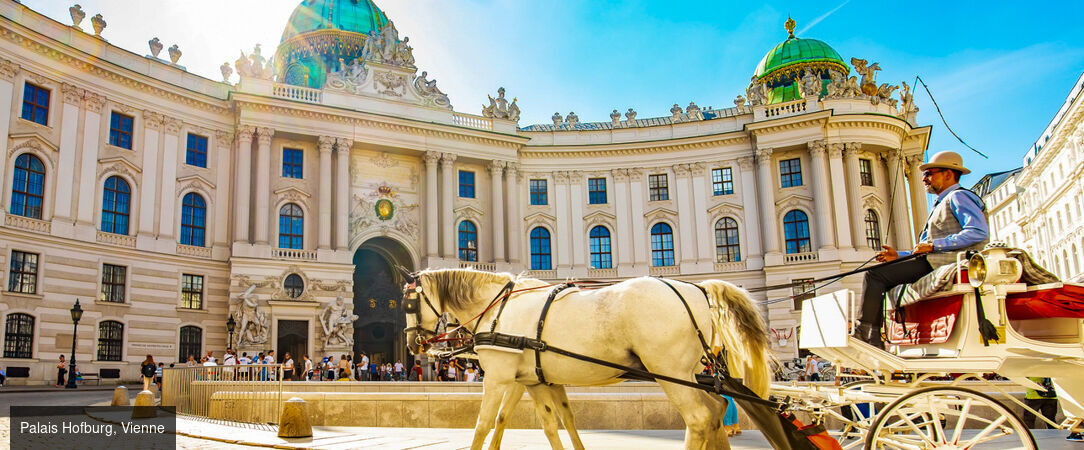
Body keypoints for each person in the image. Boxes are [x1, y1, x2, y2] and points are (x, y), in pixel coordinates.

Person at [855, 151, 989, 347]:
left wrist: (936, 245)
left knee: (875, 275)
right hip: (934, 259)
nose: (924, 179)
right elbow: (926, 249)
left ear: (948, 174)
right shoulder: (943, 201)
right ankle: (879, 334)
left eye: (930, 173)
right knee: (880, 277)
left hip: (946, 262)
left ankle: (866, 334)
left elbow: (978, 232)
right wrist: (898, 256)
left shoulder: (958, 197)